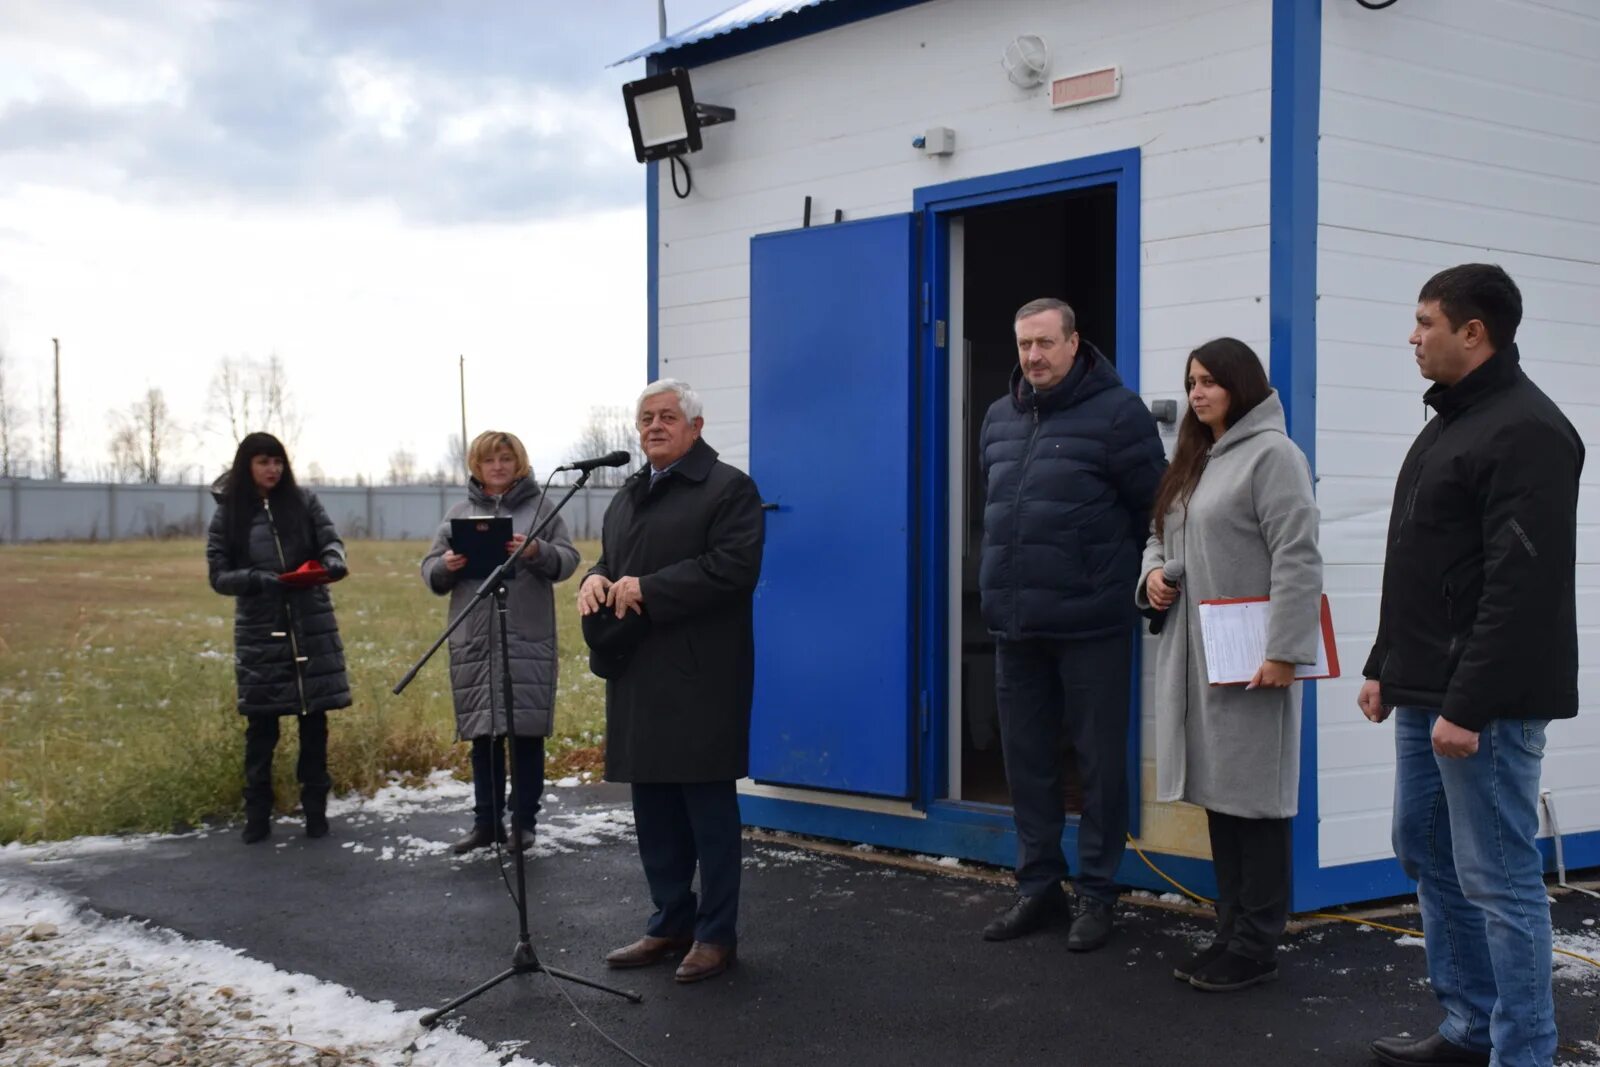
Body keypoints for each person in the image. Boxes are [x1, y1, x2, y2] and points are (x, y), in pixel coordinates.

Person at [1361, 265, 1581, 1067]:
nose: (1412, 336)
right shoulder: (1450, 423)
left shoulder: (1527, 431)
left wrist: (1470, 704)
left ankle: (1522, 1050)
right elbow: (1420, 559)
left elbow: (1521, 590)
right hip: (1426, 689)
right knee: (1423, 847)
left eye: (1425, 322)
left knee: (1499, 877)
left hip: (1483, 701)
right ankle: (1471, 1025)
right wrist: (1385, 660)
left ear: (1473, 332)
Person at [978, 298, 1166, 950]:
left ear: (1075, 342)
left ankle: (1097, 891)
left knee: (1098, 763)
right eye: (1024, 344)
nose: (1033, 356)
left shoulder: (1119, 415)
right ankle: (1038, 887)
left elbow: (1159, 509)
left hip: (1092, 622)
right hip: (1015, 622)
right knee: (1026, 761)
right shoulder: (1000, 417)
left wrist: (1141, 582)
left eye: (1045, 343)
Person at [1136, 338, 1322, 992]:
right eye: (1191, 381)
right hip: (1197, 655)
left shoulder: (1275, 457)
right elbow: (1161, 531)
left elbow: (1298, 556)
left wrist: (1283, 651)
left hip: (1252, 657)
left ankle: (1256, 942)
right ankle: (1230, 928)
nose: (1198, 393)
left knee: (1256, 802)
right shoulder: (1196, 456)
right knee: (1221, 797)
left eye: (1211, 380)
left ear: (1242, 384)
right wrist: (1154, 573)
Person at [579, 379, 764, 984]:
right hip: (639, 673)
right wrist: (594, 578)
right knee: (654, 809)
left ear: (696, 427)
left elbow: (733, 569)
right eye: (645, 418)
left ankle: (716, 936)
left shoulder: (728, 489)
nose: (654, 426)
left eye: (667, 417)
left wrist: (650, 590)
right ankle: (669, 922)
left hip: (702, 675)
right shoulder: (629, 494)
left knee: (708, 814)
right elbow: (614, 558)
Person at [421, 431, 579, 855]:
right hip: (475, 639)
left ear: (519, 462)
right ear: (477, 465)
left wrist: (536, 551)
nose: (498, 467)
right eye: (489, 460)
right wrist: (446, 565)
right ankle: (486, 823)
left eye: (506, 459)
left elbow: (568, 560)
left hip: (526, 636)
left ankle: (523, 824)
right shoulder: (458, 512)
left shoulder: (542, 507)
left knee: (525, 736)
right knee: (483, 736)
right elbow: (429, 569)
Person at [206, 432, 351, 844]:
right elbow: (218, 575)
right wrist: (259, 580)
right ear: (246, 466)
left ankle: (317, 815)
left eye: (278, 462)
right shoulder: (228, 515)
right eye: (263, 462)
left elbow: (331, 542)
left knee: (313, 721)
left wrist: (332, 563)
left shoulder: (304, 502)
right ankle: (256, 817)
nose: (272, 470)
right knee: (261, 729)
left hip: (311, 624)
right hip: (261, 632)